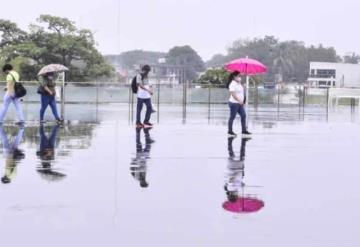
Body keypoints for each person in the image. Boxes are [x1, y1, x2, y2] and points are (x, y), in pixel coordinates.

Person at [224, 136, 251, 202]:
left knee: (241, 152)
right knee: (231, 153)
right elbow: (228, 179)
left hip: (237, 168)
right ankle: (230, 142)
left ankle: (242, 141)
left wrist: (241, 183)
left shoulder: (234, 187)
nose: (237, 195)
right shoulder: (228, 188)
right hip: (232, 167)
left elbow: (234, 179)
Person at [227, 71, 251, 137]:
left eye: (240, 76)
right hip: (234, 103)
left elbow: (241, 92)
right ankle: (230, 131)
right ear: (234, 77)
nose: (240, 77)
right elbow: (233, 94)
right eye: (238, 76)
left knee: (243, 115)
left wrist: (244, 87)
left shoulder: (239, 83)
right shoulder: (232, 84)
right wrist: (239, 100)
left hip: (240, 103)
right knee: (232, 117)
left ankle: (244, 130)